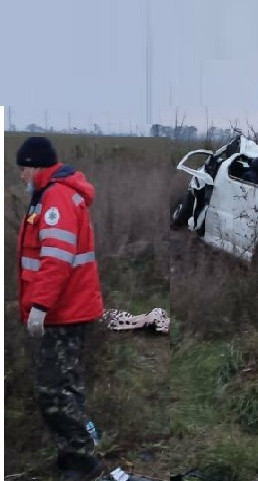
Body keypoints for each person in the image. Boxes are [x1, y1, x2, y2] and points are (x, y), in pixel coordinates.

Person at [16, 137, 105, 481]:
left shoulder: (55, 197)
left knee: (51, 391)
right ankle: (73, 455)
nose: (21, 176)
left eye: (22, 169)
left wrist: (39, 305)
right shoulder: (54, 193)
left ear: (35, 165)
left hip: (64, 312)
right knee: (66, 385)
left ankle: (84, 463)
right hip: (68, 309)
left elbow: (56, 257)